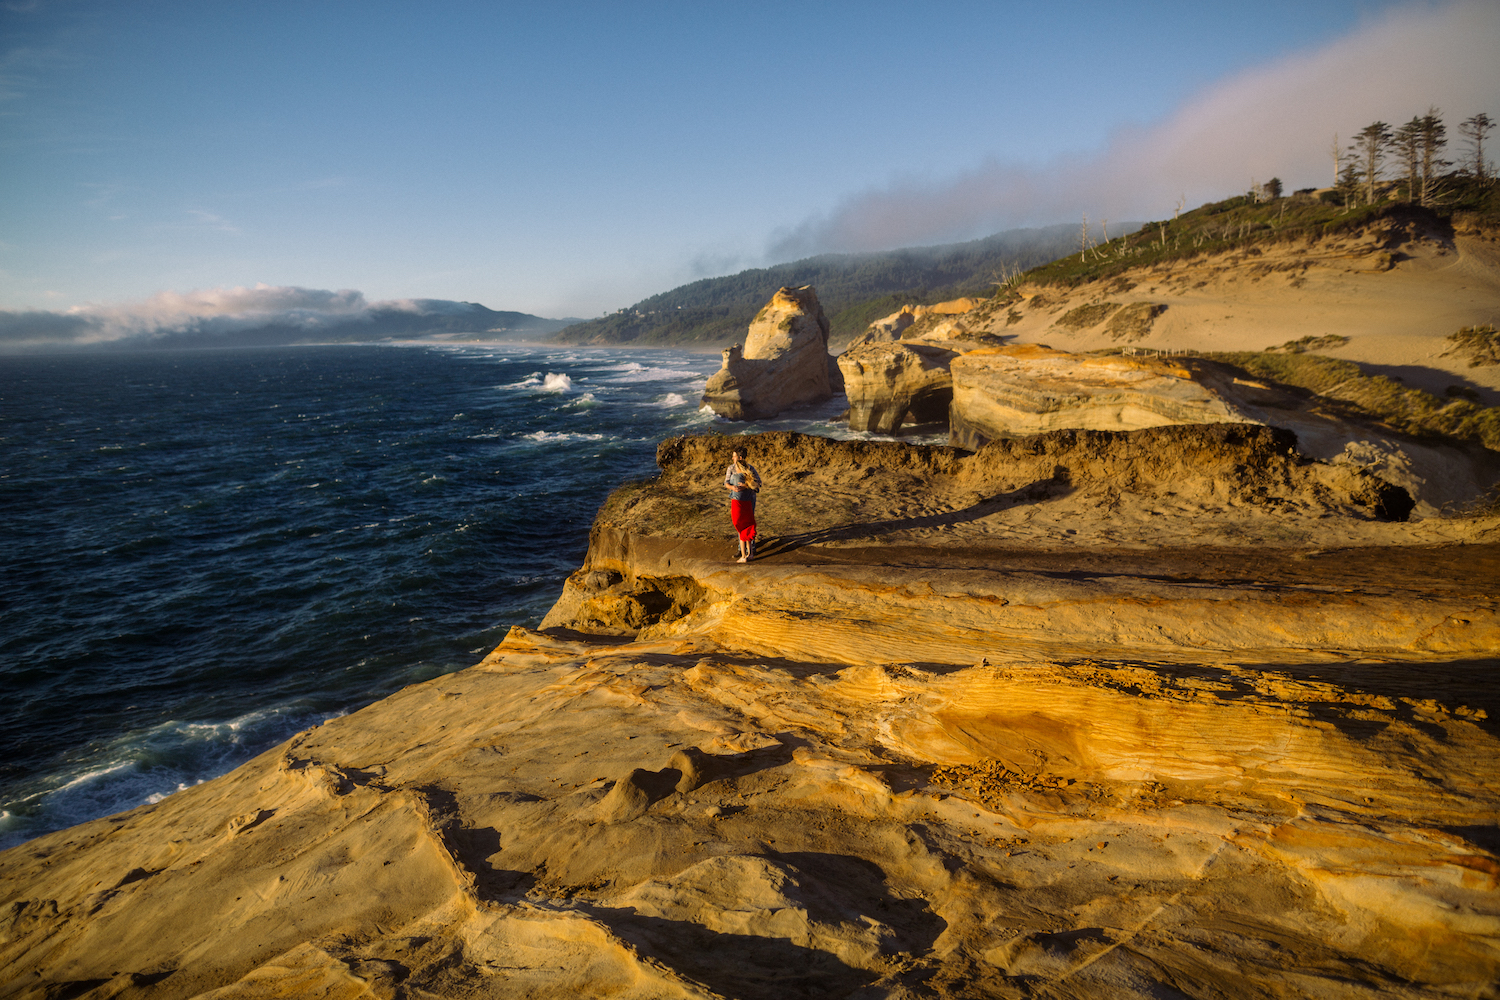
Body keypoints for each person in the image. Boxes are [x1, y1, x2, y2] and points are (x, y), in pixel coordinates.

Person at [723, 445, 761, 563]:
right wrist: (732, 487)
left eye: (734, 456)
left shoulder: (749, 468)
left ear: (739, 457)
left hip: (748, 499)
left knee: (748, 523)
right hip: (737, 498)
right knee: (740, 523)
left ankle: (750, 550)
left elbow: (757, 482)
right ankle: (742, 550)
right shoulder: (731, 468)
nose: (732, 458)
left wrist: (745, 486)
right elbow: (726, 482)